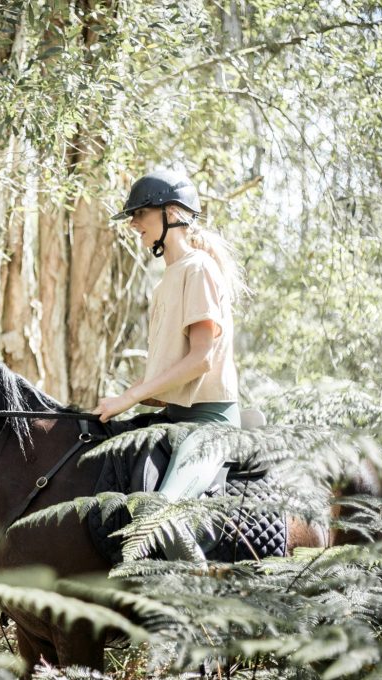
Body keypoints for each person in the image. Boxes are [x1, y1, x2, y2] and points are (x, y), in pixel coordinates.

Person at [92, 169, 246, 507]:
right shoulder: (165, 282)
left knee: (160, 516)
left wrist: (131, 396)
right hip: (174, 418)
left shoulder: (199, 268)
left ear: (172, 213)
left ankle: (197, 563)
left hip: (209, 423)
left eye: (141, 213)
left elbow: (201, 358)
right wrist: (123, 399)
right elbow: (172, 369)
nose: (134, 223)